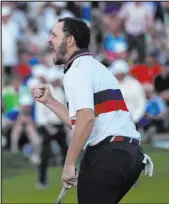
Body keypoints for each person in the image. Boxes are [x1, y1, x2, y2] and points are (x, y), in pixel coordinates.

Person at [33, 17, 153, 204]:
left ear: (70, 40)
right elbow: (80, 122)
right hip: (130, 155)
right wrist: (51, 102)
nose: (49, 40)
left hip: (107, 155)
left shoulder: (77, 69)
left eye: (54, 35)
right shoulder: (95, 67)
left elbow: (87, 120)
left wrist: (69, 164)